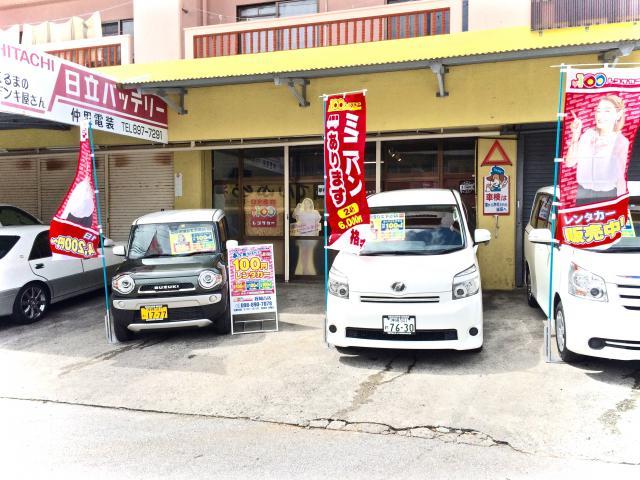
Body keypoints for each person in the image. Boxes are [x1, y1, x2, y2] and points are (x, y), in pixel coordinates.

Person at [565, 95, 630, 206]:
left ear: (618, 115)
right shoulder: (587, 135)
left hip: (608, 195)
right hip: (583, 193)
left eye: (607, 111)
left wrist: (622, 204)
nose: (600, 115)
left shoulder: (621, 141)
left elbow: (620, 177)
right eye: (598, 111)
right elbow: (570, 162)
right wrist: (575, 135)